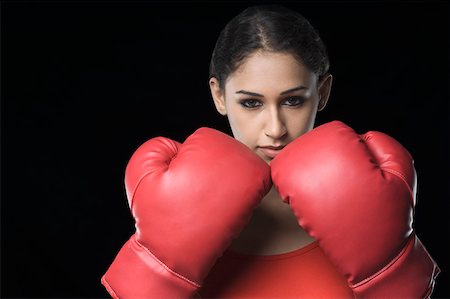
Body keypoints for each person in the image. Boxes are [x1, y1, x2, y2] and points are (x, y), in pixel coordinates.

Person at [101, 4, 440, 298]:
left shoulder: (369, 197)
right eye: (251, 103)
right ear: (219, 96)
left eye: (293, 101)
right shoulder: (175, 200)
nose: (275, 128)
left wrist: (391, 272)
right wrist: (156, 273)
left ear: (322, 93)